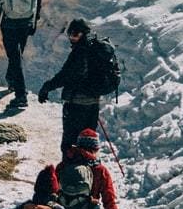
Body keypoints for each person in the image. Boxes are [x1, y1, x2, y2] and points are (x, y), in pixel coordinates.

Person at [38, 18, 122, 150]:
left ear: (83, 34)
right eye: (70, 35)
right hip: (93, 104)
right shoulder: (96, 48)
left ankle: (70, 170)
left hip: (76, 105)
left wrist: (46, 88)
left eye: (75, 35)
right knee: (88, 143)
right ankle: (89, 167)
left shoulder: (81, 51)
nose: (72, 38)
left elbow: (65, 75)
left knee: (70, 145)